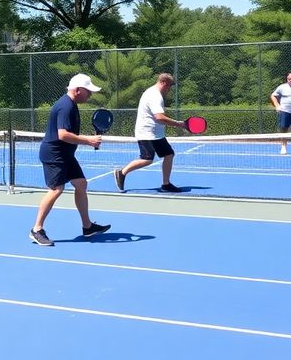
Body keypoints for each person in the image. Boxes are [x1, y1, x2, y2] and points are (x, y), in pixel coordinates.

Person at [30, 73, 111, 247]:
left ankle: (87, 226)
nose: (90, 95)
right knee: (56, 190)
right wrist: (88, 140)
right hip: (55, 155)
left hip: (66, 155)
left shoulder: (72, 105)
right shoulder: (66, 106)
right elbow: (63, 135)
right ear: (77, 90)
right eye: (88, 91)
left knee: (81, 183)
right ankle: (36, 229)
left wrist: (86, 140)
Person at [114, 73, 186, 193]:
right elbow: (159, 117)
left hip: (156, 134)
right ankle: (121, 173)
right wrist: (179, 124)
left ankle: (166, 184)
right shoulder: (154, 95)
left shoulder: (153, 93)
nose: (169, 90)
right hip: (146, 133)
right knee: (147, 159)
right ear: (163, 83)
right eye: (168, 86)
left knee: (169, 155)